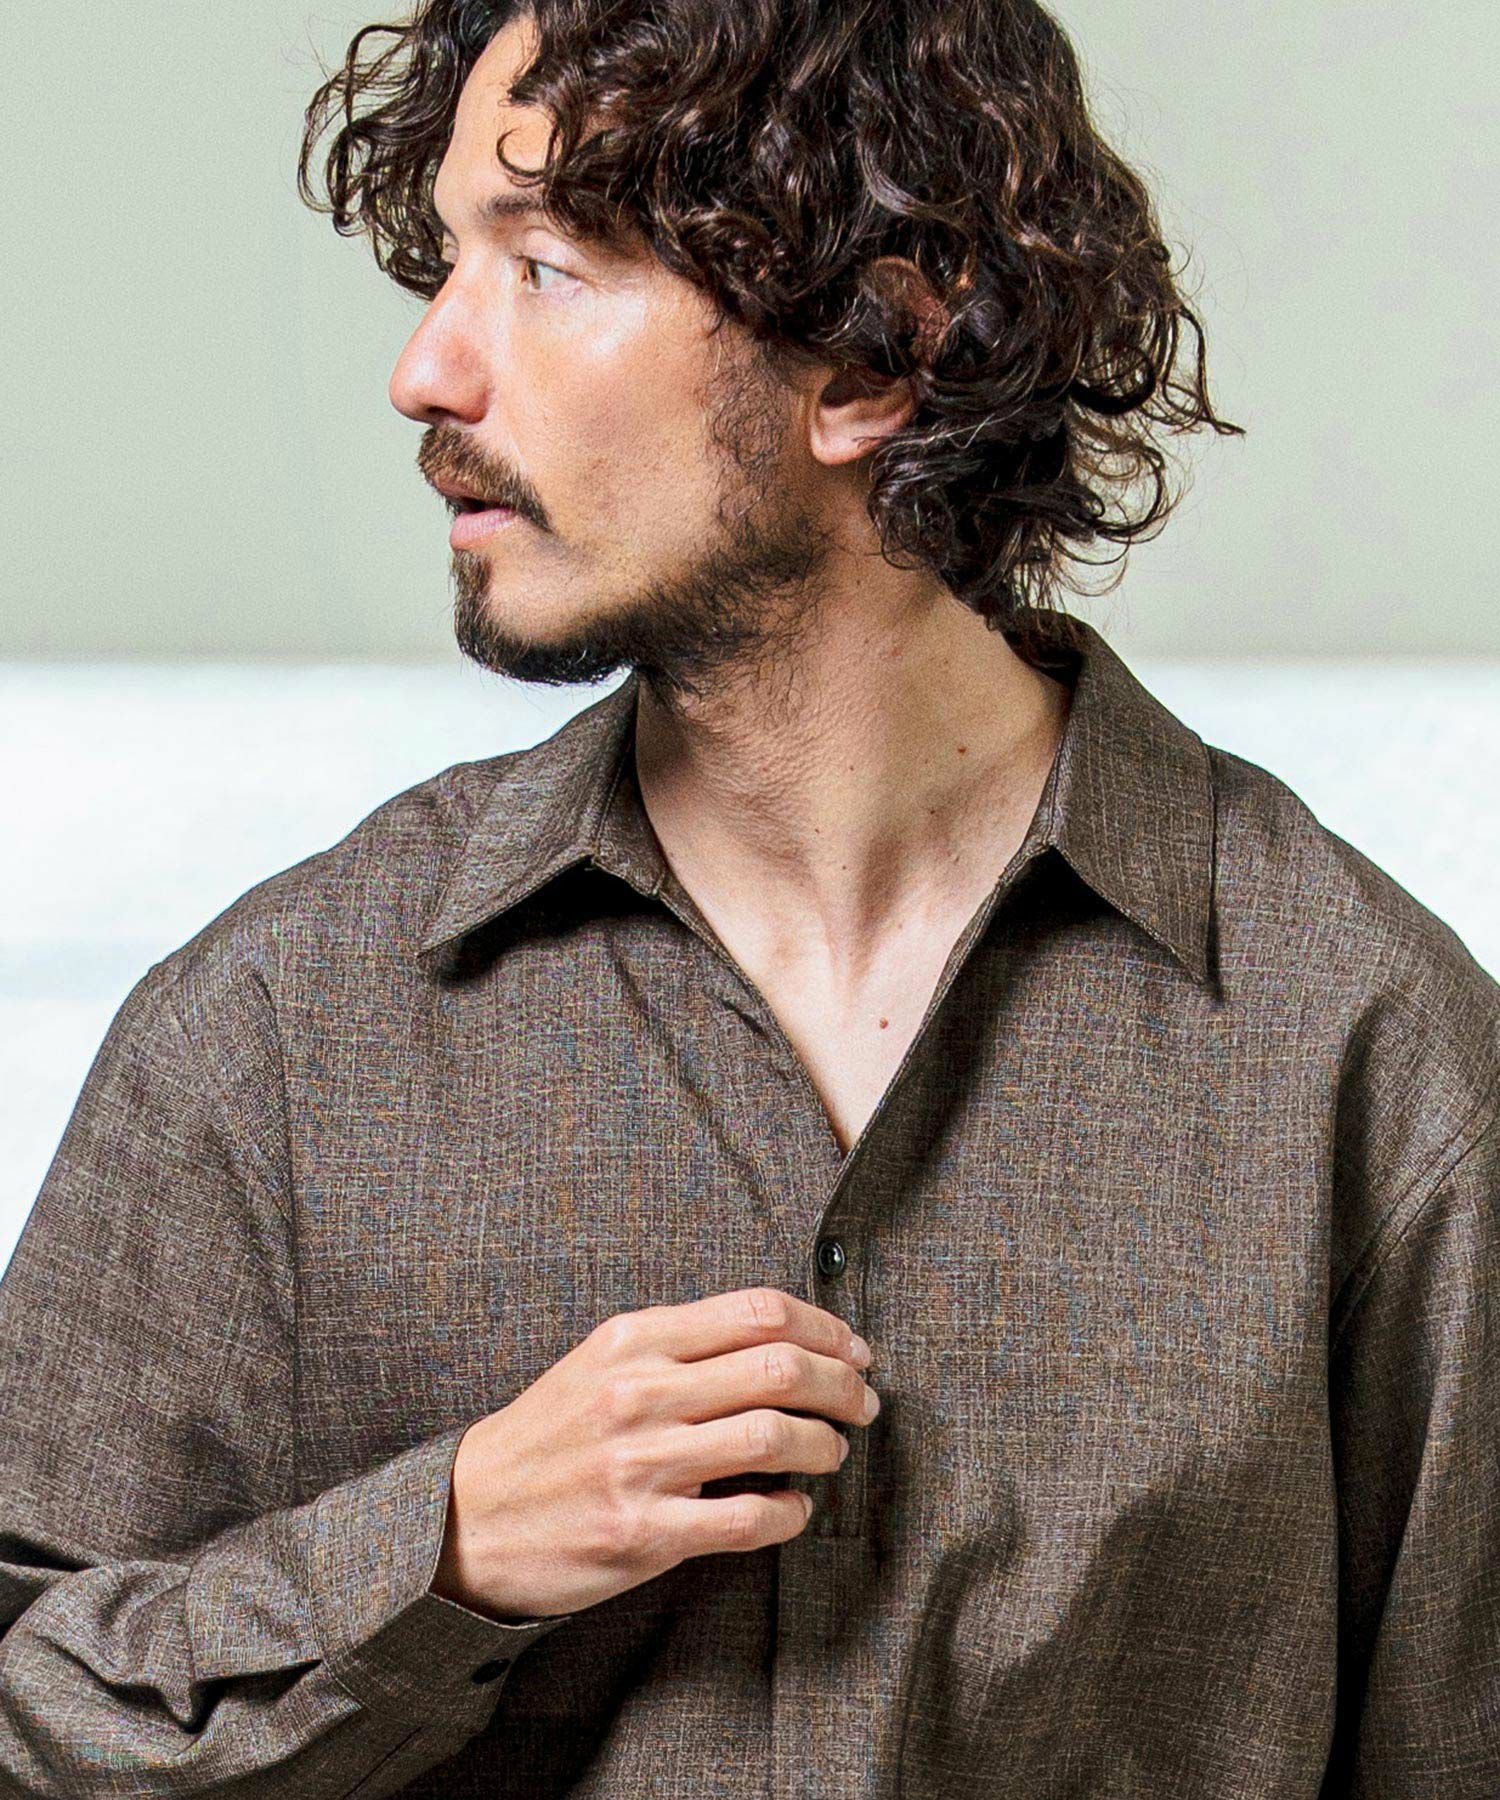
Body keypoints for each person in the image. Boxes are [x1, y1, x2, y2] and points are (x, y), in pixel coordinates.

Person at [2, 1, 1495, 1795]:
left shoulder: (1368, 1054)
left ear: (871, 354)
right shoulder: (279, 1028)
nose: (427, 371)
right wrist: (445, 1550)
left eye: (544, 268)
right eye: (449, 262)